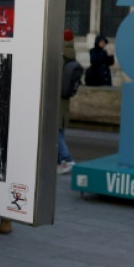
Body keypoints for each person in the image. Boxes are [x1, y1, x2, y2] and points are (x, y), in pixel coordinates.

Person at [58, 29, 77, 175]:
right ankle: (60, 162)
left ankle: (67, 158)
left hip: (56, 99)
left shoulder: (60, 55)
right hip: (65, 100)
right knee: (60, 131)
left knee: (56, 133)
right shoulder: (72, 55)